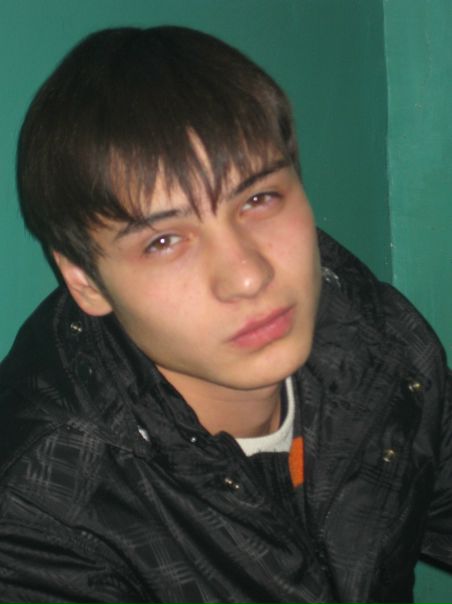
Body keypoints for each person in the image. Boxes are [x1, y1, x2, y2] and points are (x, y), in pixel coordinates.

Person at [0, 25, 450, 604]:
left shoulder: (378, 343)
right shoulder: (42, 509)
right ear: (86, 281)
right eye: (164, 241)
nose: (248, 276)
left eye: (258, 200)